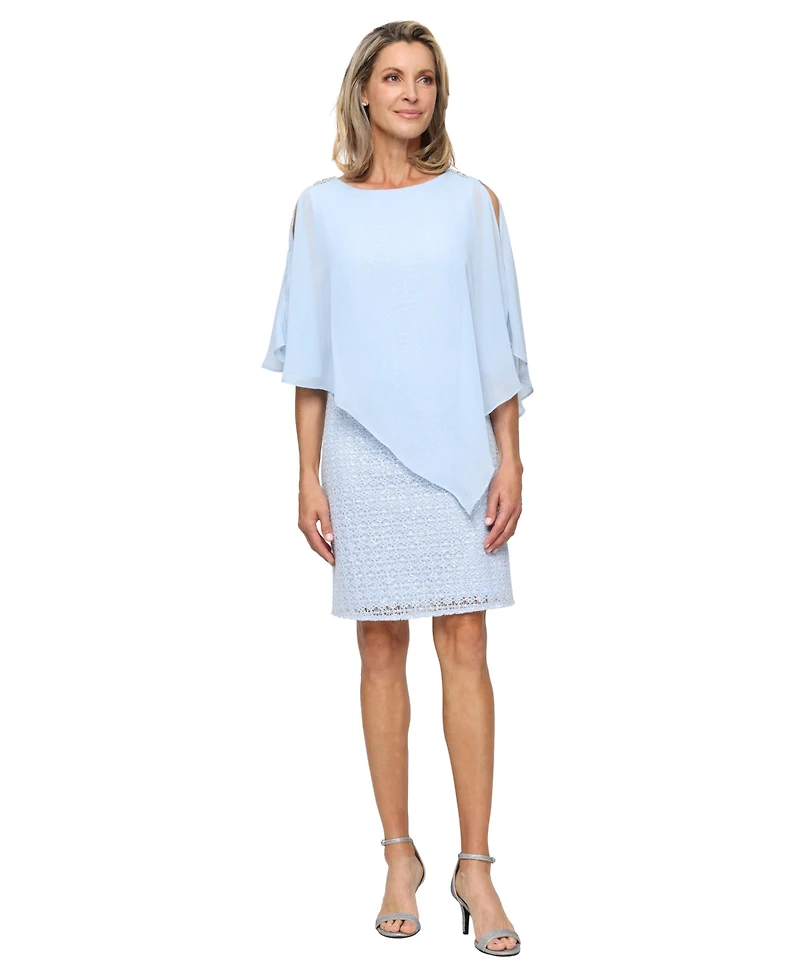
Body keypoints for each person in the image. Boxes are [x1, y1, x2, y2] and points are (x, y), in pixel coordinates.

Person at [262, 20, 532, 957]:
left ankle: (477, 867)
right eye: (393, 76)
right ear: (364, 92)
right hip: (361, 450)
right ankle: (397, 856)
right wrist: (306, 472)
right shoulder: (320, 209)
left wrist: (511, 456)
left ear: (437, 95)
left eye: (425, 78)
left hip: (460, 450)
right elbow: (312, 356)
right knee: (380, 647)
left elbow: (497, 341)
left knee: (467, 641)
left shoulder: (472, 203)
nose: (411, 92)